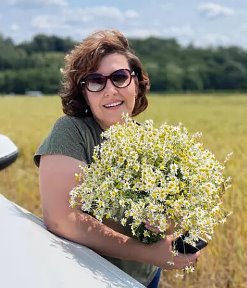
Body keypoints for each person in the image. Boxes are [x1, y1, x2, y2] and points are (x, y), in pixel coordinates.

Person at [34, 29, 200, 287]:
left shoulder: (149, 140)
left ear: (136, 83)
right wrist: (150, 253)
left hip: (143, 278)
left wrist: (163, 226)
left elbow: (165, 218)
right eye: (96, 81)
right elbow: (62, 219)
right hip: (88, 279)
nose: (109, 89)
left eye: (119, 77)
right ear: (84, 93)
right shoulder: (72, 131)